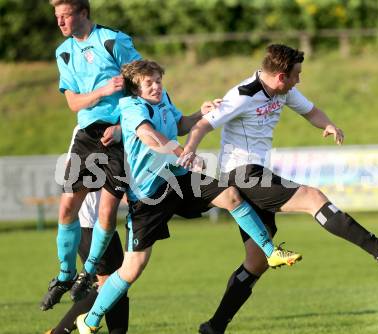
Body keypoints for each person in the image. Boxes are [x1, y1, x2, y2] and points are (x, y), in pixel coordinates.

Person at [180, 43, 378, 333]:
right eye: (296, 75)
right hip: (242, 174)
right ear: (281, 76)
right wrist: (190, 149)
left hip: (255, 173)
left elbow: (311, 111)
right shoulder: (243, 95)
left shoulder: (284, 91)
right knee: (312, 197)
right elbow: (203, 125)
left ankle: (214, 326)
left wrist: (327, 124)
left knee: (256, 261)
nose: (299, 80)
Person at [74, 59, 302, 333]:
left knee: (230, 195)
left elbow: (179, 124)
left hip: (178, 180)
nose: (157, 87)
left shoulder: (164, 99)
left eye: (158, 81)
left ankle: (271, 251)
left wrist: (199, 113)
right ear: (136, 88)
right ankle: (89, 319)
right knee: (133, 267)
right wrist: (181, 152)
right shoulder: (131, 107)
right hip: (150, 195)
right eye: (150, 83)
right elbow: (148, 135)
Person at [40, 0, 142, 311]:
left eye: (65, 15)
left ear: (83, 12)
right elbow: (73, 104)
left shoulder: (113, 41)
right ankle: (64, 274)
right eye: (57, 16)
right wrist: (101, 92)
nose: (60, 22)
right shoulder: (63, 52)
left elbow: (143, 85)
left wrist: (125, 128)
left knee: (107, 213)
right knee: (67, 207)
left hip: (117, 135)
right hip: (86, 135)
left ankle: (88, 273)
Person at [45, 126, 129, 334]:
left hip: (100, 223)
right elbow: (72, 171)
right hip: (90, 222)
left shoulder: (121, 124)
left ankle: (58, 332)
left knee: (114, 284)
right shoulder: (88, 126)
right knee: (113, 284)